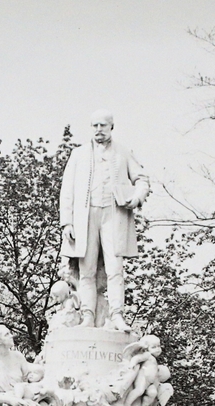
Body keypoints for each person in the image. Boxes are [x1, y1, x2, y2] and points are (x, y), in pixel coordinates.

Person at [59, 110, 150, 330]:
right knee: (87, 270)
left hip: (114, 214)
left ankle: (117, 314)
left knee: (115, 268)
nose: (99, 129)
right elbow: (67, 190)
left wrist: (136, 197)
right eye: (95, 125)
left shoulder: (123, 152)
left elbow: (142, 179)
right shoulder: (78, 154)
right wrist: (67, 222)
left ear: (111, 127)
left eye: (103, 125)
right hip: (85, 216)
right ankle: (88, 315)